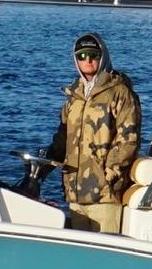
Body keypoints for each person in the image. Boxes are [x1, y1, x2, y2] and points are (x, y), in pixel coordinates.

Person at [43, 32, 140, 234]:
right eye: (82, 55)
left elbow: (128, 140)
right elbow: (62, 137)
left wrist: (110, 174)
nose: (87, 60)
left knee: (106, 250)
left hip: (105, 196)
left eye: (93, 55)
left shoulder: (120, 92)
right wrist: (45, 164)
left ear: (103, 56)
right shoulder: (74, 95)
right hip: (75, 194)